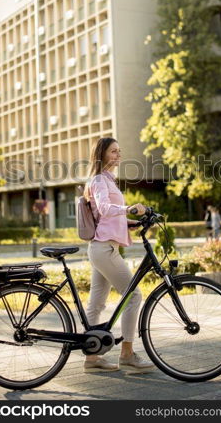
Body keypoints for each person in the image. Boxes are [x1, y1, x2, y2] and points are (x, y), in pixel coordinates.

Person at [82, 137, 155, 374]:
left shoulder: (107, 180)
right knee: (133, 296)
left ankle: (92, 359)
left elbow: (108, 217)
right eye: (113, 151)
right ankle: (127, 354)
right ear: (101, 154)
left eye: (119, 151)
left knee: (96, 303)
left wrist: (131, 221)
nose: (118, 155)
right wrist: (129, 208)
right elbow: (105, 209)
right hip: (104, 249)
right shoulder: (100, 180)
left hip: (100, 247)